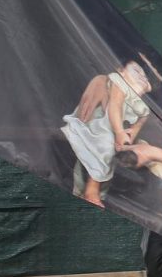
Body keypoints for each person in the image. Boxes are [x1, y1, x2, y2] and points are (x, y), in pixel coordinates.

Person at [61, 59, 152, 207]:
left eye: (143, 75)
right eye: (136, 70)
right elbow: (114, 106)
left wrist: (133, 132)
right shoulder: (119, 83)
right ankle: (92, 188)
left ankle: (93, 191)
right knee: (106, 145)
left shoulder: (142, 105)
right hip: (102, 125)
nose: (140, 74)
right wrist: (119, 131)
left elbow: (142, 119)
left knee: (109, 157)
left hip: (119, 132)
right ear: (121, 71)